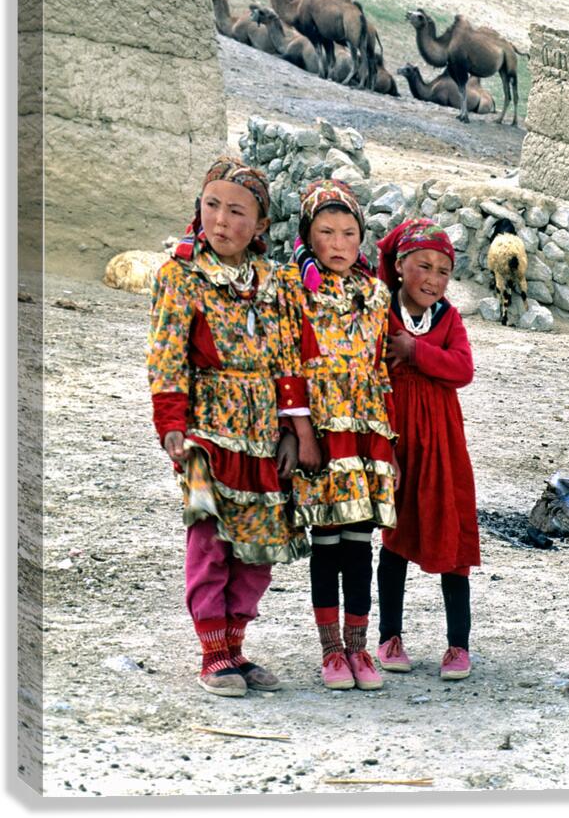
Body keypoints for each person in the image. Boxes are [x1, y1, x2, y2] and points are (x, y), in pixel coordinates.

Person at [147, 156, 308, 698]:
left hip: (263, 433)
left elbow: (289, 358)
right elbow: (167, 353)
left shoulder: (276, 283)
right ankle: (212, 651)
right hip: (206, 431)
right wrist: (172, 423)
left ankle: (235, 646)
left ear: (261, 225)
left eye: (236, 211)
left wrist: (292, 430)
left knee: (257, 544)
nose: (220, 220)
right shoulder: (180, 275)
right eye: (211, 204)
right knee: (211, 540)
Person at [276, 179, 399, 691]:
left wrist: (390, 444)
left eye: (349, 232)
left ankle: (359, 648)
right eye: (326, 231)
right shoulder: (293, 290)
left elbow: (379, 370)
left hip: (367, 431)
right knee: (326, 540)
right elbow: (288, 363)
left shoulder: (375, 293)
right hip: (322, 431)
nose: (340, 243)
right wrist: (301, 431)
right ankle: (330, 652)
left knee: (359, 541)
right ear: (309, 235)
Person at [375, 218, 480, 680]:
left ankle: (458, 645)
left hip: (442, 444)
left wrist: (415, 353)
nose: (434, 279)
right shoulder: (381, 314)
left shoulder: (449, 319)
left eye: (443, 270)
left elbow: (462, 369)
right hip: (397, 442)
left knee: (452, 536)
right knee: (396, 535)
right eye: (424, 266)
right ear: (399, 267)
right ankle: (388, 636)